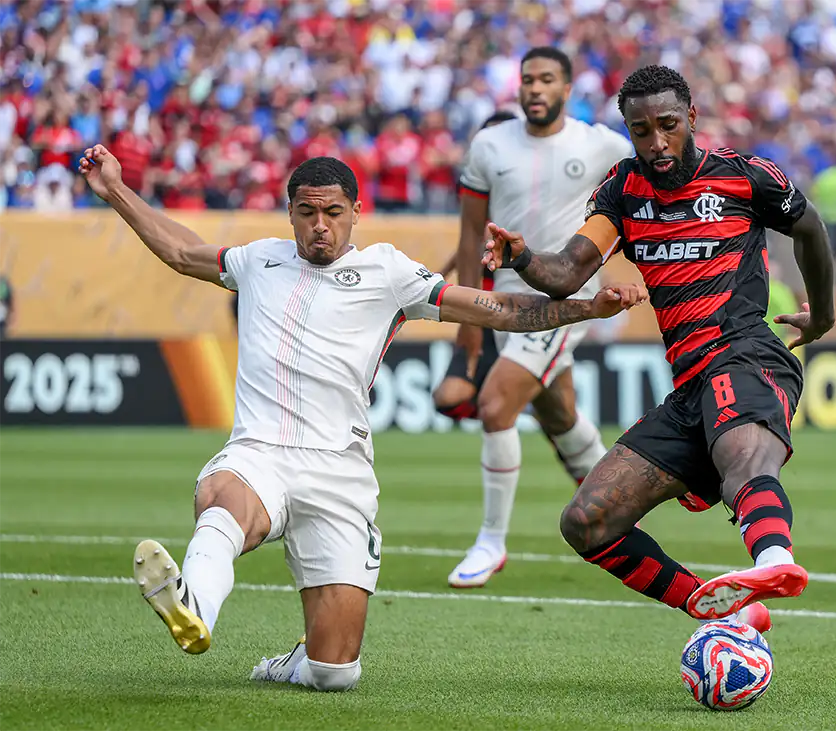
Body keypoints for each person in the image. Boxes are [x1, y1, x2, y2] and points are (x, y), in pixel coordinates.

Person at [77, 146, 645, 690]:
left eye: (332, 212)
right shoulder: (257, 261)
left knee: (334, 674)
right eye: (306, 213)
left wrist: (583, 308)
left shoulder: (389, 273)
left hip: (340, 474)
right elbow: (181, 251)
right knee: (226, 501)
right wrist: (117, 190)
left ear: (355, 214)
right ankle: (193, 604)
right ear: (291, 214)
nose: (319, 225)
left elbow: (497, 309)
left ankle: (294, 662)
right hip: (260, 453)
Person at [483, 65, 836, 629]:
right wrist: (523, 257)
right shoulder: (623, 191)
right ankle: (717, 609)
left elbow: (811, 226)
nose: (657, 142)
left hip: (746, 355)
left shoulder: (744, 177)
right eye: (641, 131)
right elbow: (570, 271)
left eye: (668, 125)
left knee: (742, 461)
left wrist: (824, 313)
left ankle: (774, 560)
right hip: (688, 388)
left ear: (691, 118)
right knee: (587, 523)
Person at [446, 47, 634, 589]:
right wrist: (467, 314)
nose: (535, 88)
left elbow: (650, 186)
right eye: (527, 79)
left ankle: (490, 541)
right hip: (504, 302)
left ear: (567, 87)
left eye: (546, 79)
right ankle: (618, 509)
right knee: (559, 415)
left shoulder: (600, 145)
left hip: (565, 299)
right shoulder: (488, 145)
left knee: (496, 402)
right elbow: (467, 235)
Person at [432, 110, 516, 423]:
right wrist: (441, 274)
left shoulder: (525, 193)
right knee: (448, 399)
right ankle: (507, 405)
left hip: (514, 308)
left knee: (559, 418)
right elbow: (469, 243)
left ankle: (511, 403)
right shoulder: (474, 188)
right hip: (478, 307)